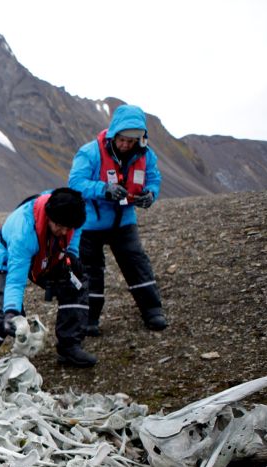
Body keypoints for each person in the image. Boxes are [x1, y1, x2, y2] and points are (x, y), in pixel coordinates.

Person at [0, 188, 97, 368]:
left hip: (48, 253)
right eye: (59, 226)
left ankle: (69, 347)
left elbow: (73, 234)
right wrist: (11, 310)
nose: (63, 231)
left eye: (68, 227)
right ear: (49, 216)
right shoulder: (24, 232)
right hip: (6, 259)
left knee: (76, 285)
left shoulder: (74, 212)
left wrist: (71, 256)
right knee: (8, 314)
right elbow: (15, 280)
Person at [68, 105, 167, 335]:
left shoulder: (146, 155)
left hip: (123, 220)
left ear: (139, 140)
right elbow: (75, 182)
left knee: (136, 263)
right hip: (91, 223)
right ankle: (89, 320)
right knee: (90, 271)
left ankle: (153, 311)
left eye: (130, 141)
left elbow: (153, 178)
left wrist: (150, 194)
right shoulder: (90, 152)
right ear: (114, 134)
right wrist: (104, 189)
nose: (125, 145)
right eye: (121, 139)